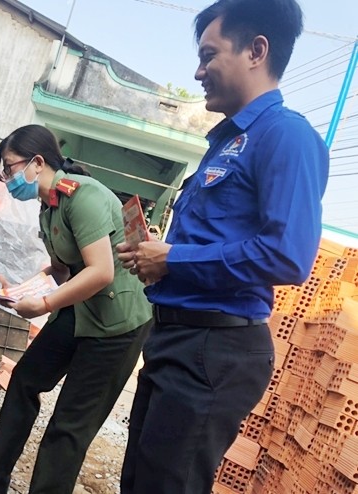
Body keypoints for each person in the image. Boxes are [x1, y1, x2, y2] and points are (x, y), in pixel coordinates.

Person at [117, 1, 329, 493]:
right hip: (179, 339)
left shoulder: (286, 136)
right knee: (141, 481)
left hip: (216, 348)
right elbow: (220, 242)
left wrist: (175, 258)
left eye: (209, 54)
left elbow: (288, 255)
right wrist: (163, 265)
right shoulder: (228, 142)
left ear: (257, 50)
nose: (198, 71)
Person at [0, 124, 152, 494]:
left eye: (10, 168)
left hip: (117, 324)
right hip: (80, 310)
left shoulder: (81, 197)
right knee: (24, 381)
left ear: (37, 162)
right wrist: (22, 289)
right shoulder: (50, 205)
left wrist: (43, 304)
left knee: (70, 424)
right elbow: (62, 268)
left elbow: (101, 272)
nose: (8, 180)